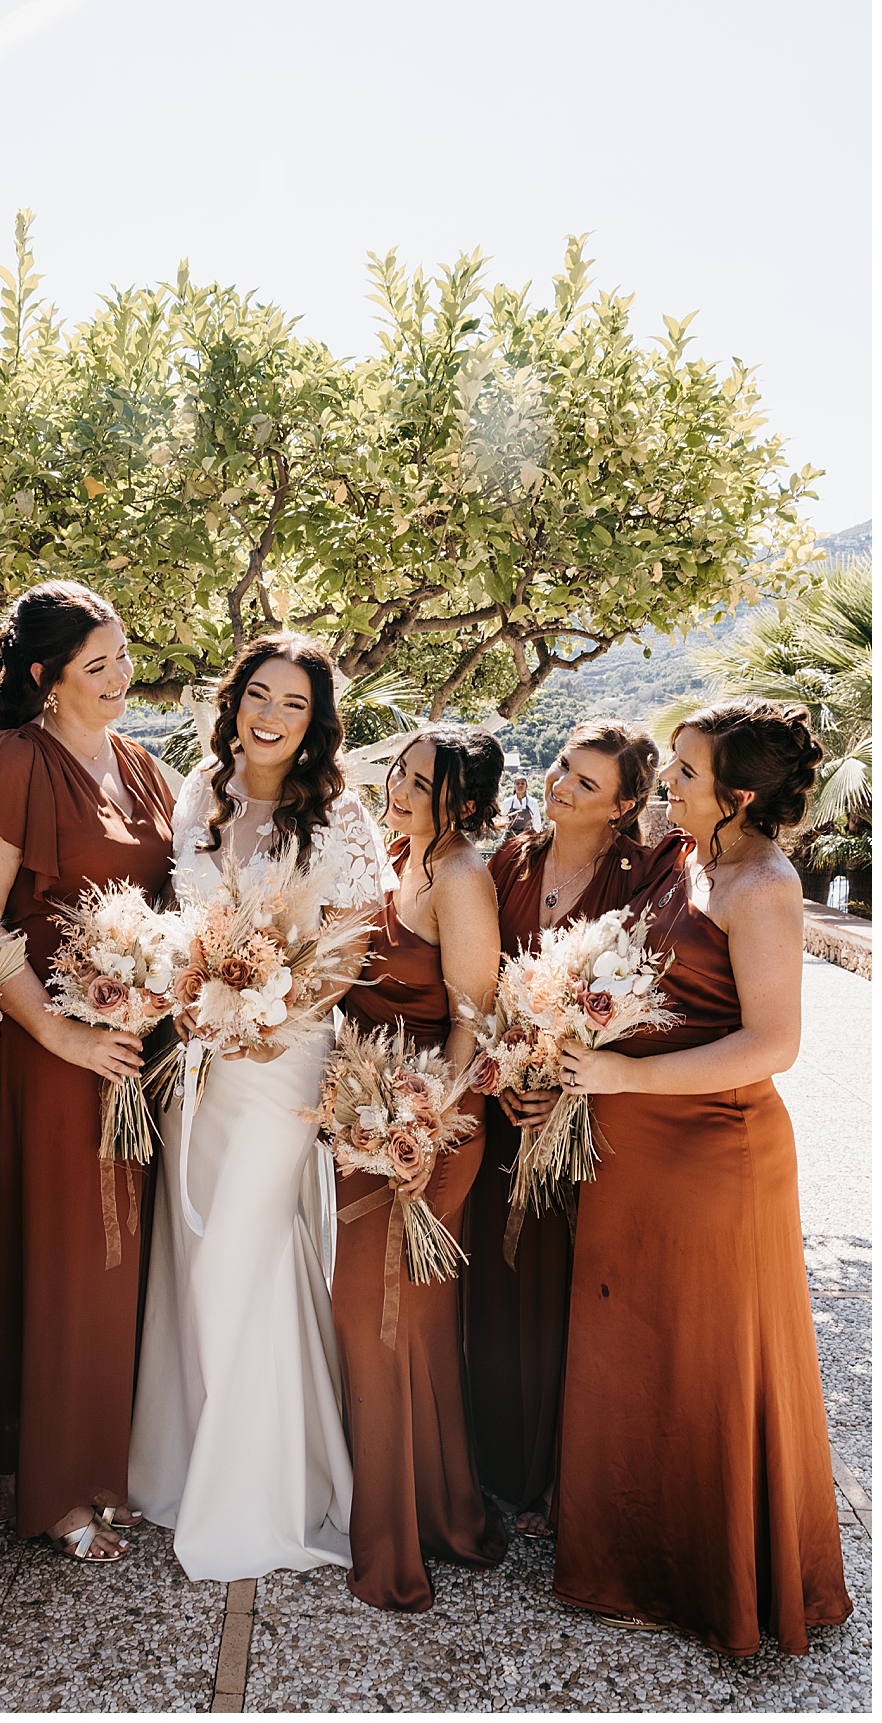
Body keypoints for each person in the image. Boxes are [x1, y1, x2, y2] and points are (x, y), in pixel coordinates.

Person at [552, 700, 852, 1654]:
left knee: (707, 1358)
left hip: (714, 1151)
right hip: (631, 1147)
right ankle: (629, 1558)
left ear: (742, 794)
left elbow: (775, 1043)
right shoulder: (684, 855)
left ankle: (711, 1572)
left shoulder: (761, 882)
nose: (669, 784)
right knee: (633, 1344)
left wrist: (628, 1072)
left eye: (685, 771)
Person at [128, 633, 392, 1580]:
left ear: (317, 721)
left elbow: (353, 951)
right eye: (258, 695)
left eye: (293, 704)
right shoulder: (197, 794)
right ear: (234, 700)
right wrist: (190, 997)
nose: (271, 717)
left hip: (284, 1056)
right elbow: (179, 922)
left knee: (242, 1243)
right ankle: (192, 1461)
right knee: (193, 1252)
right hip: (195, 1055)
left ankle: (261, 1497)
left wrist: (274, 1011)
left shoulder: (344, 815)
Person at [0, 581, 176, 1562]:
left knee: (121, 1260)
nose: (121, 678)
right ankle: (55, 1491)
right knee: (72, 1261)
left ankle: (99, 1462)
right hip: (50, 1052)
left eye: (123, 657)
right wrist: (61, 1036)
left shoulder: (140, 764)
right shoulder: (12, 762)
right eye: (97, 666)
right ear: (45, 677)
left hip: (134, 1047)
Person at [464, 720, 684, 1537]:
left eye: (587, 783)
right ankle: (498, 1466)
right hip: (505, 1103)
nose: (560, 785)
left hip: (587, 1116)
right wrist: (507, 1075)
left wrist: (565, 1091)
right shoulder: (508, 860)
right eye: (562, 766)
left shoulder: (639, 879)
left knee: (567, 1290)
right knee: (496, 1280)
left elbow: (640, 1002)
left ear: (625, 803)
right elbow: (479, 980)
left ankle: (560, 1474)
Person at [332, 726, 509, 1610]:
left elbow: (475, 1023)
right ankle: (410, 1504)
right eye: (397, 772)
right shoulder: (400, 855)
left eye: (419, 782)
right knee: (368, 1316)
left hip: (429, 1122)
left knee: (389, 1318)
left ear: (464, 803)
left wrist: (421, 1126)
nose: (397, 790)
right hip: (364, 1109)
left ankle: (401, 1535)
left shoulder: (463, 878)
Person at [498, 773, 541, 839]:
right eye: (517, 783)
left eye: (522, 783)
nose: (520, 785)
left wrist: (536, 838)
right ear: (514, 786)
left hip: (526, 839)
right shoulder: (507, 802)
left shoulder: (533, 802)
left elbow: (537, 823)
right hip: (509, 839)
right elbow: (503, 820)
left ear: (526, 786)